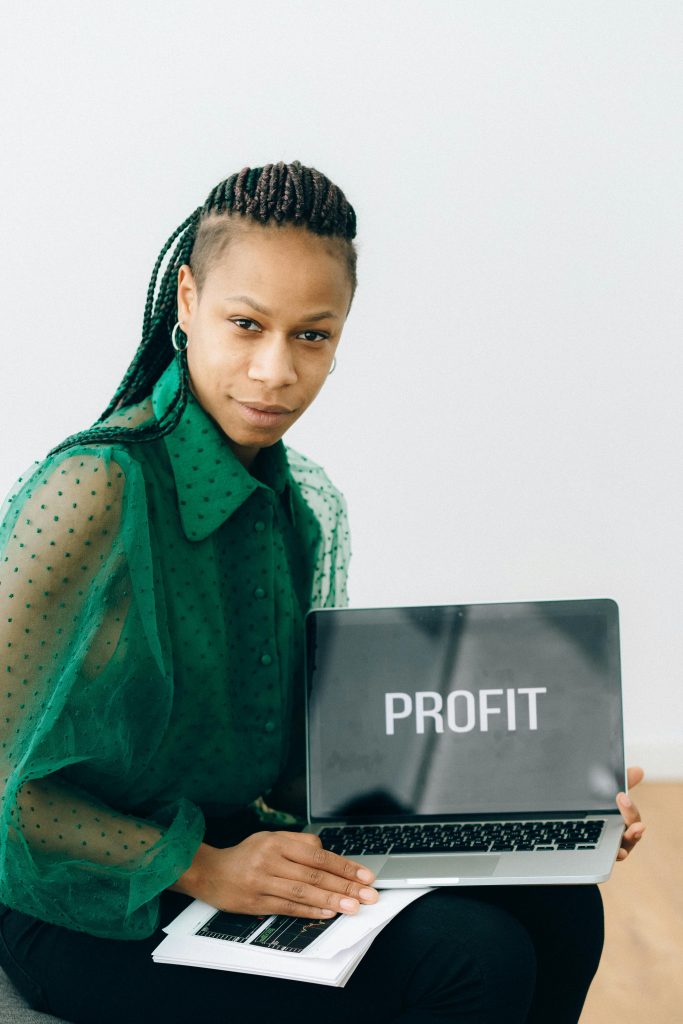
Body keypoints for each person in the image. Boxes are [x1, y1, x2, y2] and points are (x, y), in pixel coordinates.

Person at [0, 160, 645, 1023]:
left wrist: (538, 805)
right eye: (245, 324)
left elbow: (298, 769)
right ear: (187, 301)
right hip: (79, 902)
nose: (275, 370)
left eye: (311, 335)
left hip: (238, 847)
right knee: (471, 961)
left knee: (561, 902)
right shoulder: (93, 490)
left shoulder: (300, 504)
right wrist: (203, 867)